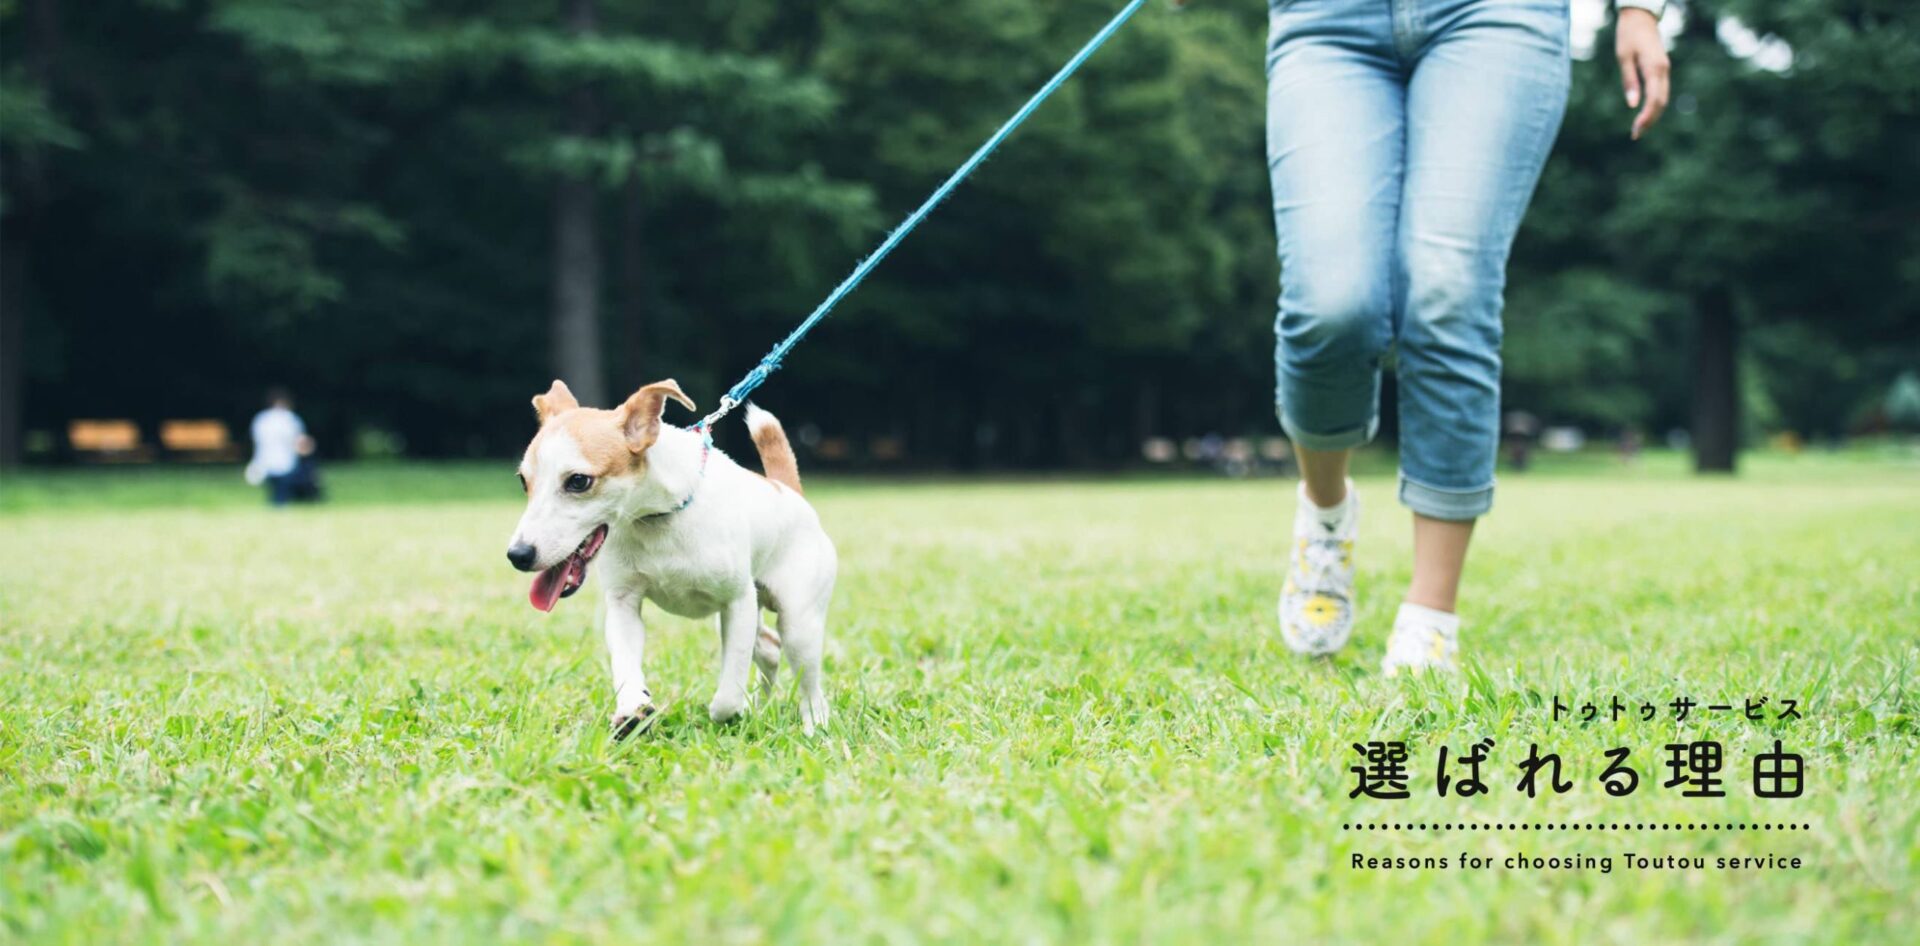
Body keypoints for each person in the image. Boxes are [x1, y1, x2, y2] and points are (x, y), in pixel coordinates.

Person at [1264, 1, 1671, 672]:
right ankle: (1327, 513)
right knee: (1330, 304)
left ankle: (1429, 617)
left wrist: (1638, 7)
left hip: (1496, 16)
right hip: (1326, 19)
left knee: (1447, 284)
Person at [245, 387, 319, 506]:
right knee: (282, 494)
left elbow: (255, 441)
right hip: (286, 464)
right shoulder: (290, 419)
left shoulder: (261, 419)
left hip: (264, 463)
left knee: (275, 493)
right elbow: (300, 443)